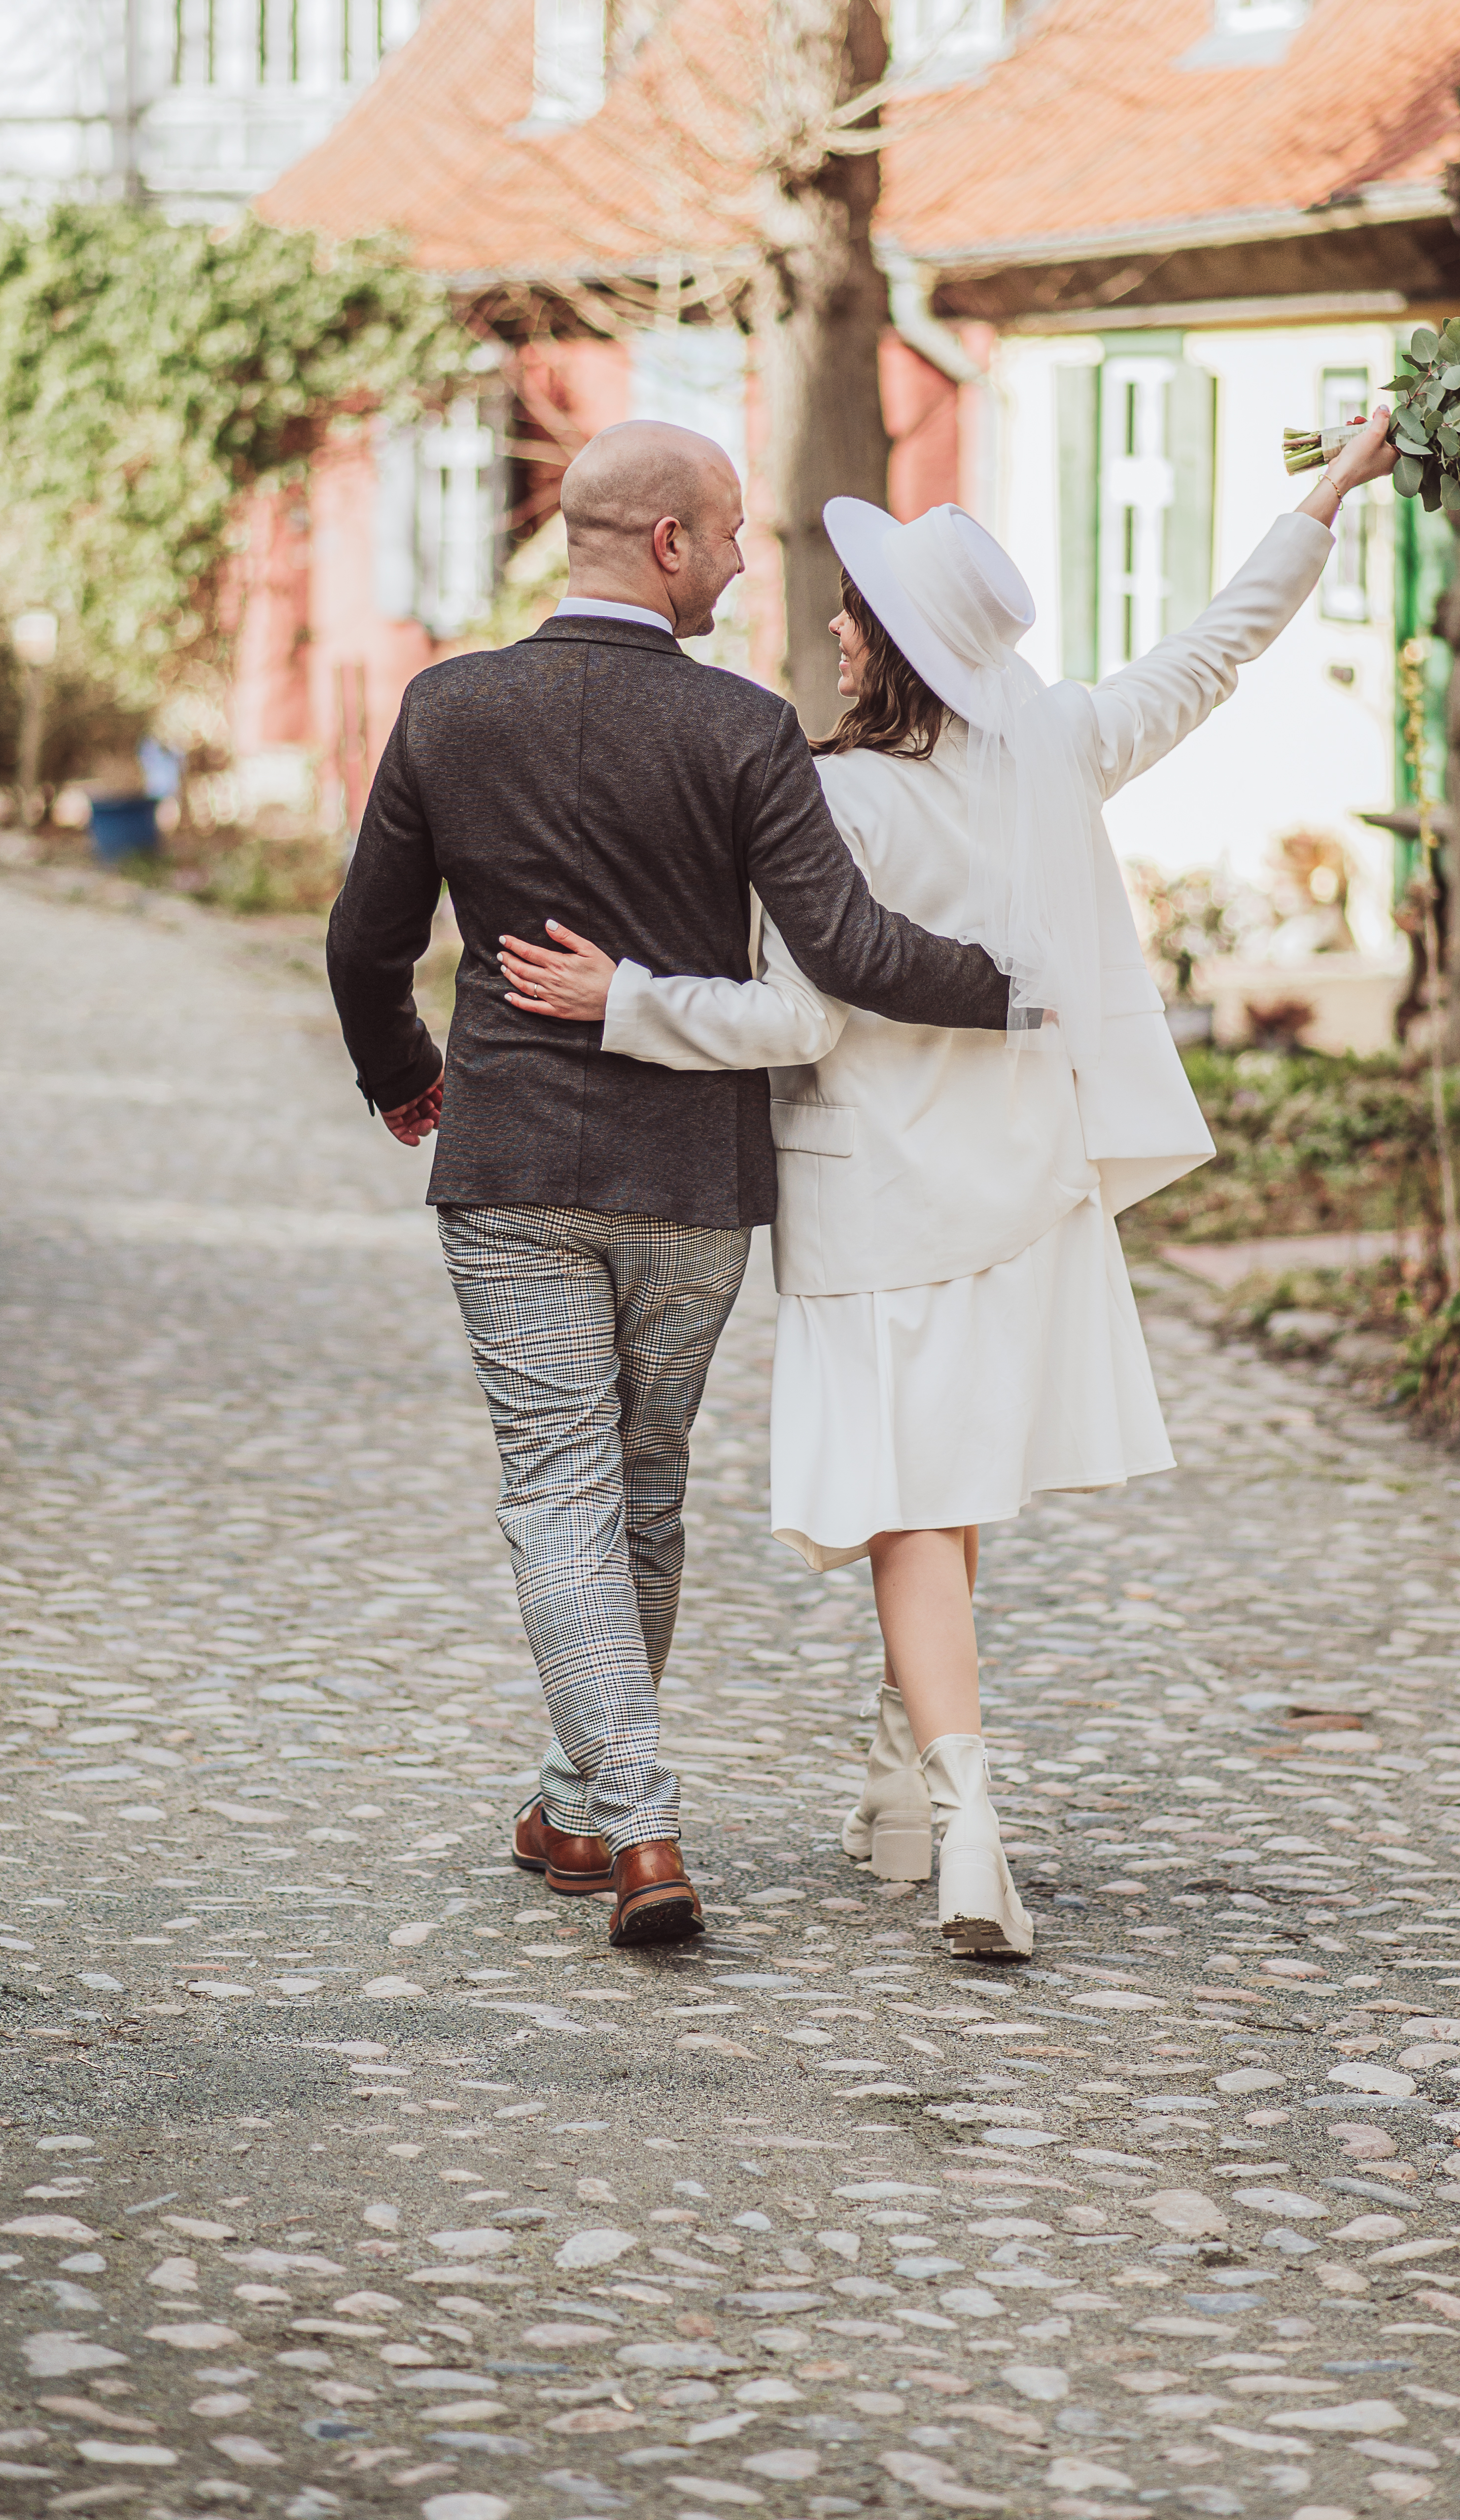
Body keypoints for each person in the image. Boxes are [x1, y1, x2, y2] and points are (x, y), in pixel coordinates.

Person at [496, 408, 1398, 1958]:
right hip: (1029, 1196)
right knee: (952, 1498)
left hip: (879, 1205)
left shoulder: (840, 800)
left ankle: (975, 1818)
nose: (837, 626)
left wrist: (626, 1000)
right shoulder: (1059, 743)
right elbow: (1217, 647)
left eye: (858, 612)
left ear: (898, 647)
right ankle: (905, 1789)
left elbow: (797, 1017)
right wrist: (1327, 495)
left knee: (910, 1513)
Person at [325, 420, 1014, 1950]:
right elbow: (847, 952)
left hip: (510, 1170)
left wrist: (406, 1077)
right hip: (694, 1181)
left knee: (563, 1494)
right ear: (667, 546)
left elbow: (366, 942)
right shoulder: (743, 729)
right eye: (732, 534)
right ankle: (612, 1820)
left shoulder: (449, 709)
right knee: (636, 1494)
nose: (745, 561)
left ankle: (614, 1814)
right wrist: (1019, 990)